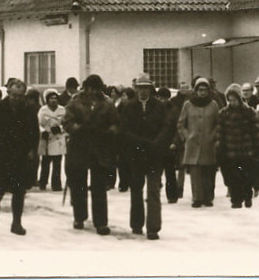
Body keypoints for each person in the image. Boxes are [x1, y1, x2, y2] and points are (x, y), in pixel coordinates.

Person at [62, 73, 120, 235]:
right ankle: (79, 217)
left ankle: (101, 222)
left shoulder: (107, 103)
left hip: (100, 149)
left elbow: (116, 123)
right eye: (90, 89)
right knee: (78, 184)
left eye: (97, 89)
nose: (93, 92)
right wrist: (78, 129)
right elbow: (66, 122)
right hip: (79, 147)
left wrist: (109, 133)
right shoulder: (75, 101)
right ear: (85, 88)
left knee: (99, 186)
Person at [0, 77, 38, 235]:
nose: (16, 99)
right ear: (8, 93)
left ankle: (16, 223)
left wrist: (32, 150)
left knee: (19, 191)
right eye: (13, 95)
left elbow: (34, 132)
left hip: (20, 156)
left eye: (19, 96)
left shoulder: (28, 110)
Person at [119, 73, 172, 239]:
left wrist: (157, 143)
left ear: (150, 88)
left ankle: (153, 227)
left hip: (155, 155)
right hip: (136, 155)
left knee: (153, 191)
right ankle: (136, 224)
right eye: (140, 88)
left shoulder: (159, 106)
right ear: (136, 89)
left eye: (146, 88)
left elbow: (167, 128)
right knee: (136, 190)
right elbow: (124, 131)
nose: (143, 91)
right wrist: (141, 142)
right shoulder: (128, 106)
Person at [176, 77, 220, 208]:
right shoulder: (188, 105)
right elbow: (181, 124)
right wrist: (186, 136)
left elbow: (219, 123)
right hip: (193, 143)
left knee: (208, 171)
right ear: (195, 91)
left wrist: (213, 136)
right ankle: (197, 198)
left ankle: (208, 197)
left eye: (205, 90)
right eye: (200, 90)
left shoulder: (213, 104)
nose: (202, 93)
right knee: (195, 172)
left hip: (208, 143)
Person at [215, 83, 259, 208]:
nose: (232, 102)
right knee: (233, 178)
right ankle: (236, 200)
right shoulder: (224, 113)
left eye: (234, 99)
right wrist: (220, 149)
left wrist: (258, 148)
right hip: (230, 152)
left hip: (246, 151)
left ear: (239, 98)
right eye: (230, 100)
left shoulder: (249, 112)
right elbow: (220, 133)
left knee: (246, 176)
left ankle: (247, 196)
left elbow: (256, 132)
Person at [37, 88, 67, 191]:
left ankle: (56, 184)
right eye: (51, 98)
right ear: (47, 100)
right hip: (47, 138)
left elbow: (66, 123)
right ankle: (43, 182)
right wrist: (43, 131)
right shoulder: (43, 110)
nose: (53, 100)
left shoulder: (62, 110)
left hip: (58, 138)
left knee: (57, 163)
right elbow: (38, 124)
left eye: (55, 98)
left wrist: (60, 128)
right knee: (45, 162)